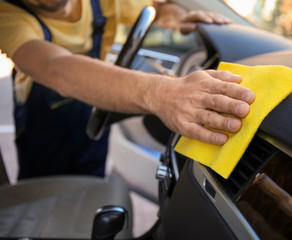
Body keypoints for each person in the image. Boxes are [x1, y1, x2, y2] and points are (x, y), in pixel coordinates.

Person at [0, 0, 255, 179]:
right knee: (44, 190)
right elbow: (53, 66)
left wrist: (176, 16)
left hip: (94, 101)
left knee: (92, 179)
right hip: (42, 124)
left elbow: (161, 7)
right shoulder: (8, 13)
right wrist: (160, 93)